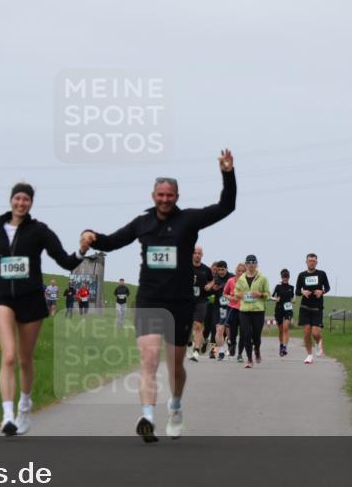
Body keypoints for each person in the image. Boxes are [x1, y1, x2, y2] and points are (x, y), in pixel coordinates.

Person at [80, 150, 236, 442]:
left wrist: (228, 173)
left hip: (179, 303)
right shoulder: (143, 223)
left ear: (177, 196)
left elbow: (226, 206)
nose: (165, 199)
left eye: (170, 195)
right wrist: (92, 237)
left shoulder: (189, 221)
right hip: (150, 300)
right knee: (149, 359)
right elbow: (113, 241)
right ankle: (148, 416)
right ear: (153, 195)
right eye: (160, 194)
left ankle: (175, 407)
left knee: (174, 365)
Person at [0, 183, 85, 436]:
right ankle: (7, 416)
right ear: (11, 201)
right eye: (17, 198)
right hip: (3, 297)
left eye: (26, 199)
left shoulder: (39, 231)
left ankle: (24, 407)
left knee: (25, 359)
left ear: (31, 203)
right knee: (8, 356)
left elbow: (64, 260)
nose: (21, 203)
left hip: (31, 300)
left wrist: (82, 249)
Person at [232, 255, 270, 368]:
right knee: (246, 334)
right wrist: (239, 295)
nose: (251, 264)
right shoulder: (242, 278)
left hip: (258, 311)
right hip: (244, 311)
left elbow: (268, 295)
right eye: (249, 262)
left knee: (256, 335)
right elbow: (236, 293)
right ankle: (249, 359)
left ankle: (257, 349)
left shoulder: (262, 278)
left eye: (253, 262)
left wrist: (260, 294)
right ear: (246, 264)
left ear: (256, 264)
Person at [295, 253, 331, 365]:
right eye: (310, 261)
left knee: (315, 333)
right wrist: (302, 291)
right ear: (306, 262)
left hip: (317, 307)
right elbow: (296, 291)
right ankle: (309, 355)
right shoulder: (301, 275)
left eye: (314, 261)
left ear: (316, 262)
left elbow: (328, 287)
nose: (312, 262)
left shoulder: (321, 274)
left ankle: (319, 342)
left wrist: (322, 291)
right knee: (306, 332)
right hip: (305, 307)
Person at [190, 246, 213, 362]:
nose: (197, 255)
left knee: (198, 325)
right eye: (195, 253)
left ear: (202, 255)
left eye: (199, 253)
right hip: (187, 301)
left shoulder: (206, 269)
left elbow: (212, 280)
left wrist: (209, 285)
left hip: (201, 300)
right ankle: (199, 341)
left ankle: (196, 350)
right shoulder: (186, 267)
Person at [208, 261, 235, 360]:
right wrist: (213, 289)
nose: (221, 272)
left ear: (226, 269)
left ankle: (229, 344)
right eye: (219, 270)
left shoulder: (231, 277)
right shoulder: (215, 278)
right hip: (217, 307)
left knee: (226, 329)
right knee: (214, 329)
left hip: (229, 307)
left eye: (222, 270)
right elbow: (208, 290)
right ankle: (213, 351)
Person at [222, 262, 246, 361]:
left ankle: (240, 354)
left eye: (243, 271)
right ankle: (232, 344)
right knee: (233, 333)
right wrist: (230, 297)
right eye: (239, 271)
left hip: (244, 309)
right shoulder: (231, 281)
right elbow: (224, 293)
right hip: (233, 308)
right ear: (236, 271)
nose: (241, 273)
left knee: (244, 332)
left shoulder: (248, 282)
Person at [272, 269, 295, 357]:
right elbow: (271, 296)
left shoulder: (291, 287)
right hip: (279, 309)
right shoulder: (277, 286)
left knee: (286, 328)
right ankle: (281, 345)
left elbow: (294, 298)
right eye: (283, 277)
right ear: (281, 277)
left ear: (289, 277)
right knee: (281, 330)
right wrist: (275, 299)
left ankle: (285, 347)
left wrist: (293, 301)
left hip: (288, 310)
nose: (285, 278)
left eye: (287, 277)